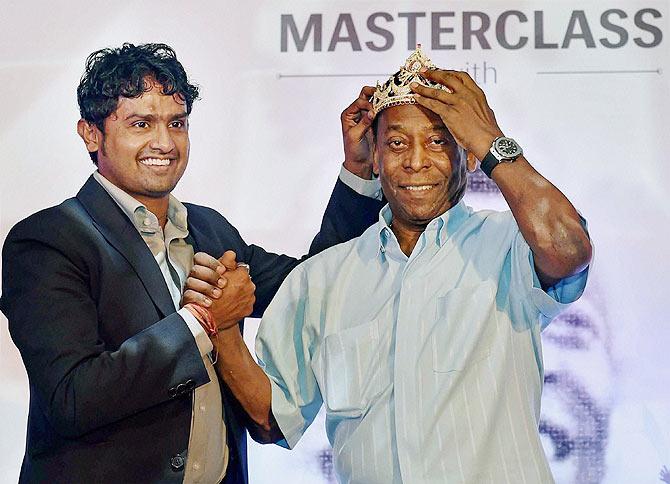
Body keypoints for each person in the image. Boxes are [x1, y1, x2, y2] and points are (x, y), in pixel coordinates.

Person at [186, 46, 593, 483]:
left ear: (469, 156)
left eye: (439, 141)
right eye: (397, 143)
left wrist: (492, 141)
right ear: (375, 158)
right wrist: (224, 331)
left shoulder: (507, 246)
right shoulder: (325, 276)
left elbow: (568, 249)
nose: (416, 161)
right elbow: (272, 418)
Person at [0, 43, 384, 483]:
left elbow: (319, 280)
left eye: (176, 124)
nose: (164, 143)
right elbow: (72, 398)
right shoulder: (49, 241)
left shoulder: (209, 230)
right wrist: (204, 323)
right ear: (91, 134)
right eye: (141, 123)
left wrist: (358, 170)